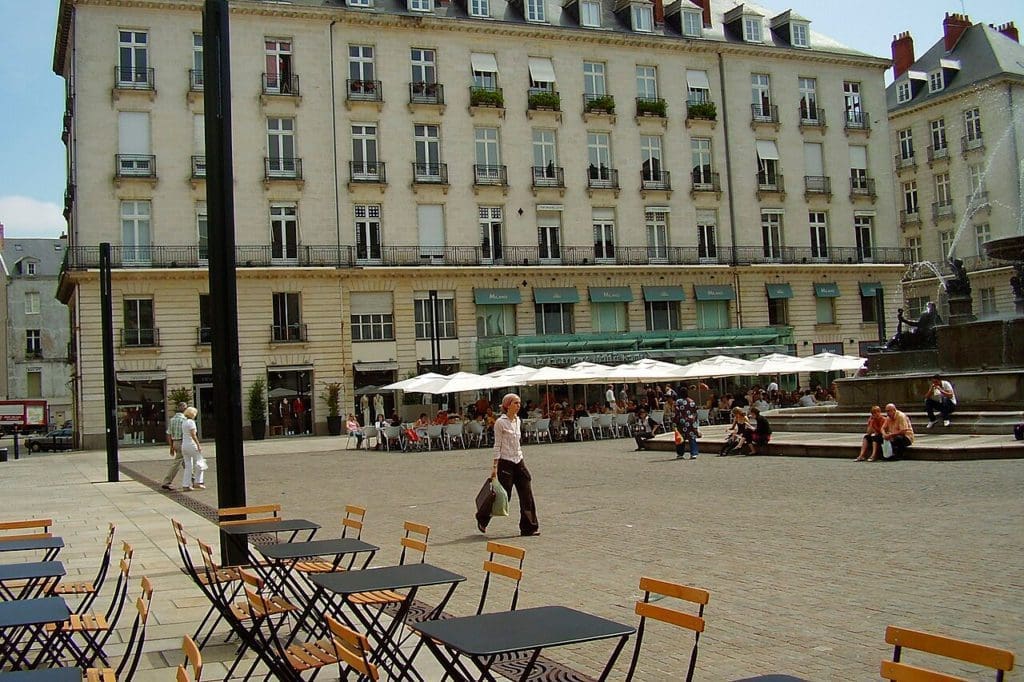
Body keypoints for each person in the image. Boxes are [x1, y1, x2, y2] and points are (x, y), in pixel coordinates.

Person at [476, 393, 539, 537]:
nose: (518, 405)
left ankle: (529, 527)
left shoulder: (518, 420)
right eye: (516, 403)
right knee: (503, 495)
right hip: (505, 462)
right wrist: (494, 467)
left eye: (519, 403)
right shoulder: (500, 422)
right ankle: (482, 518)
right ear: (507, 405)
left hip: (519, 460)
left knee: (526, 493)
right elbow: (497, 445)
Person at [160, 401, 188, 491]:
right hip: (182, 442)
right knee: (178, 462)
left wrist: (171, 446)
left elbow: (168, 434)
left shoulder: (172, 420)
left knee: (185, 461)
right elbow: (186, 434)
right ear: (184, 409)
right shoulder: (184, 420)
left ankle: (193, 479)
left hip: (175, 442)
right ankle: (167, 481)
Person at [180, 406, 205, 491]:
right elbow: (193, 435)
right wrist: (198, 445)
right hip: (191, 444)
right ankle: (198, 481)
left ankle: (186, 484)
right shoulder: (191, 422)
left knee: (188, 466)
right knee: (200, 462)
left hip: (184, 445)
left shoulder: (184, 422)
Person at [673, 390, 700, 460]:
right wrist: (695, 422)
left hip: (681, 422)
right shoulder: (691, 401)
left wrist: (674, 423)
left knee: (680, 438)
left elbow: (676, 413)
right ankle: (694, 453)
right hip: (690, 421)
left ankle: (680, 454)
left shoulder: (678, 402)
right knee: (692, 437)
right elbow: (695, 412)